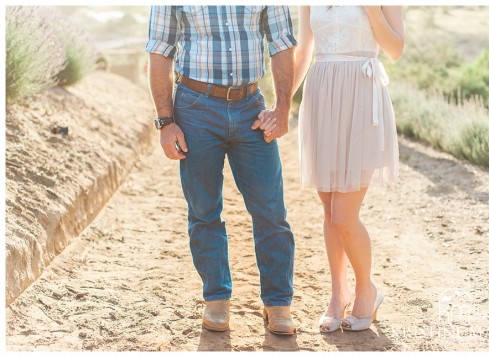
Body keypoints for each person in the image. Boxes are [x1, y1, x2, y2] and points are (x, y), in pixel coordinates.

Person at [145, 6, 297, 335]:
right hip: (195, 107)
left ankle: (278, 302)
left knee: (271, 209)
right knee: (204, 209)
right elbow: (160, 51)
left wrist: (283, 108)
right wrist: (166, 121)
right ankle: (216, 297)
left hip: (251, 108)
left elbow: (282, 43)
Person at [285, 5, 404, 333]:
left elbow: (395, 49)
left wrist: (372, 11)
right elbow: (304, 50)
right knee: (328, 211)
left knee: (343, 215)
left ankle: (367, 289)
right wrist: (282, 103)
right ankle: (339, 294)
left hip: (361, 96)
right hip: (321, 94)